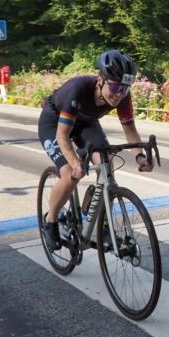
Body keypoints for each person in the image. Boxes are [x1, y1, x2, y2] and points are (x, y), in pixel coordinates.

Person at [38, 49, 153, 251]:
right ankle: (50, 220)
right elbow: (62, 136)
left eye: (124, 88)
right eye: (115, 87)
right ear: (100, 80)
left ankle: (103, 224)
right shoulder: (78, 89)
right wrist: (75, 163)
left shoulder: (123, 96)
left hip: (85, 123)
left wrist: (140, 157)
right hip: (55, 122)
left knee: (106, 165)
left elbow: (130, 129)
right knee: (70, 173)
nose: (119, 94)